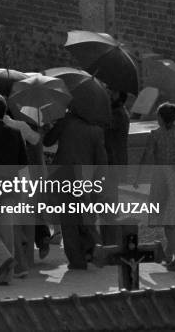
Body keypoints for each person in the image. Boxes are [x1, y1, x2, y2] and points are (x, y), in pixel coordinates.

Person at [0, 109, 41, 277]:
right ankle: (10, 272)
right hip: (12, 183)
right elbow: (23, 161)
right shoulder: (16, 131)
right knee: (8, 228)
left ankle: (5, 260)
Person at [134, 102, 175, 272]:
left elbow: (146, 157)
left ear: (160, 118)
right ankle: (169, 257)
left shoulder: (155, 135)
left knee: (169, 224)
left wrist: (137, 177)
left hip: (163, 181)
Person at [43, 110, 107, 270]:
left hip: (64, 175)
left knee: (68, 219)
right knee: (87, 217)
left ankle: (76, 260)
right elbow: (101, 160)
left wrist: (48, 127)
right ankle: (95, 249)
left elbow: (48, 141)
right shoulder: (96, 130)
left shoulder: (65, 122)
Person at [102, 91, 130, 245]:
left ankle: (111, 241)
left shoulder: (117, 115)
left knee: (109, 204)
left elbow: (105, 127)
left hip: (113, 163)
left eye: (111, 93)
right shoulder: (119, 112)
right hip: (113, 162)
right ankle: (109, 239)